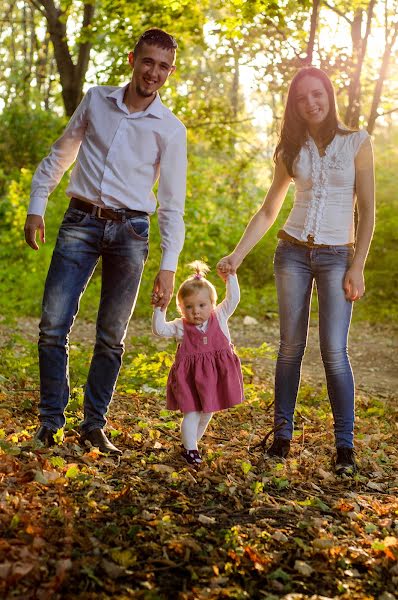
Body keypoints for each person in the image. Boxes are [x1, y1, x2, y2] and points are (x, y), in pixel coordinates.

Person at [24, 28, 187, 455]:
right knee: (52, 326)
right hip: (80, 220)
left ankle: (94, 425)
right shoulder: (96, 99)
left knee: (112, 336)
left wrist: (168, 265)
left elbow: (171, 204)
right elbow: (62, 152)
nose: (154, 72)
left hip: (131, 232)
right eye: (148, 61)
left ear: (170, 72)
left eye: (164, 66)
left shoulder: (170, 130)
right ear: (133, 59)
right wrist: (36, 204)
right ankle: (49, 423)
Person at [217, 66, 375, 476]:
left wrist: (358, 264)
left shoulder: (357, 142)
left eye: (317, 94)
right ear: (295, 104)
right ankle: (282, 437)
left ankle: (345, 448)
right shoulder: (291, 149)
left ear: (329, 95)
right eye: (302, 97)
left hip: (338, 255)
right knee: (290, 348)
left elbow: (368, 211)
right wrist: (237, 255)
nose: (311, 103)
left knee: (334, 352)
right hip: (292, 252)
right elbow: (270, 209)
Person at [152, 261, 244, 466]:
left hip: (213, 376)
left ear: (212, 304)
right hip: (189, 378)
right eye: (189, 307)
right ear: (181, 308)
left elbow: (234, 299)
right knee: (192, 413)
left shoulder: (218, 317)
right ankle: (190, 450)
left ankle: (190, 444)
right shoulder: (181, 327)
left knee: (207, 412)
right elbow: (159, 330)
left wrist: (231, 277)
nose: (196, 311)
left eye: (202, 305)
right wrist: (160, 308)